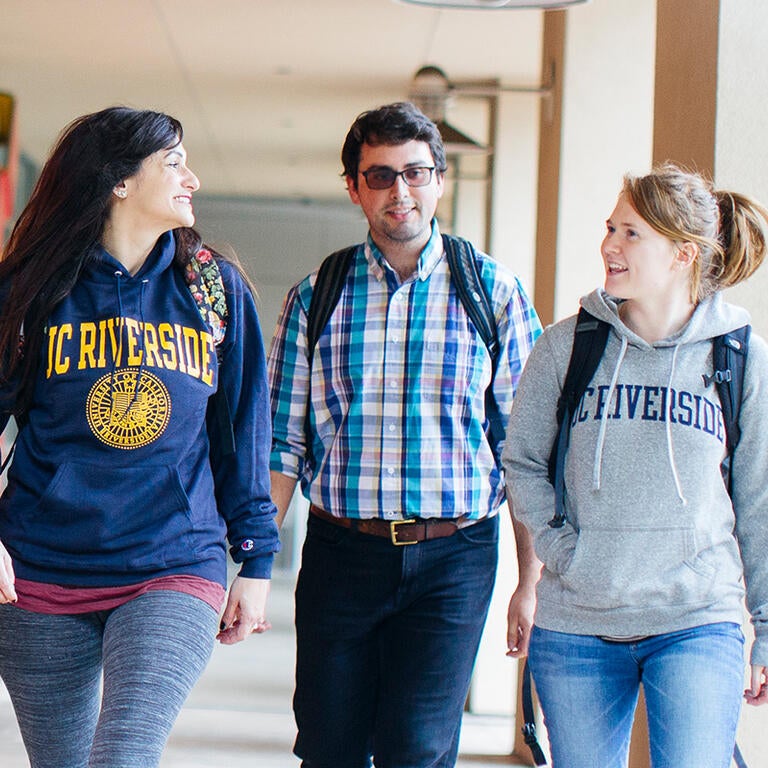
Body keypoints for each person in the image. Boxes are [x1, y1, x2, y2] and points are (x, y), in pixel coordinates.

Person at [0, 106, 279, 767]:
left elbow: (243, 432)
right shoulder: (30, 290)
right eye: (174, 163)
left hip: (172, 561)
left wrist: (257, 560)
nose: (194, 179)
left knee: (124, 753)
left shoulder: (213, 288)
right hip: (41, 569)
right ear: (119, 181)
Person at [268, 100, 542, 768]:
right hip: (342, 552)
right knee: (329, 746)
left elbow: (526, 451)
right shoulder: (316, 296)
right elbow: (282, 446)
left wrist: (530, 582)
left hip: (454, 556)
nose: (401, 191)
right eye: (381, 175)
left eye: (416, 173)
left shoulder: (494, 293)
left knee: (416, 749)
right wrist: (249, 567)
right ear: (355, 188)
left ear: (440, 181)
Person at [503, 163, 768, 768]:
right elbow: (521, 461)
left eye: (630, 234)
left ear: (682, 253)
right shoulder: (565, 348)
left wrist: (767, 625)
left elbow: (759, 500)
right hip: (578, 625)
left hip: (697, 618)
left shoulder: (740, 358)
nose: (609, 246)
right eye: (610, 228)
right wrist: (562, 549)